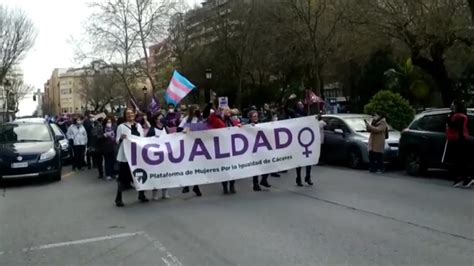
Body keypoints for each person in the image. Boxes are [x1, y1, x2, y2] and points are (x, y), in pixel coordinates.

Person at [115, 108, 149, 207]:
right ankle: (118, 198)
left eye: (131, 113)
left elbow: (142, 139)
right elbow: (117, 140)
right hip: (126, 156)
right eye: (128, 113)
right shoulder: (121, 126)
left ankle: (141, 194)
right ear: (125, 116)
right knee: (122, 177)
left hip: (137, 155)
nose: (130, 115)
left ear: (134, 114)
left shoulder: (138, 126)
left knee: (139, 174)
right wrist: (121, 138)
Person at [209, 107, 240, 194]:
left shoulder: (231, 120)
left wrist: (239, 126)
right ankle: (225, 186)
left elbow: (237, 126)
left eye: (229, 110)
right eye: (226, 110)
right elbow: (212, 117)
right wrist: (217, 109)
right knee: (224, 168)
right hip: (222, 148)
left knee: (233, 167)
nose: (228, 111)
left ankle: (232, 185)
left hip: (232, 147)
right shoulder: (217, 119)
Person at [178, 105, 203, 197]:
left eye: (197, 110)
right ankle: (187, 185)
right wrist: (185, 130)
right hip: (187, 144)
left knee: (195, 166)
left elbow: (203, 129)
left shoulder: (200, 119)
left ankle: (195, 185)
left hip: (197, 144)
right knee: (188, 165)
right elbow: (179, 129)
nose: (195, 111)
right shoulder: (186, 119)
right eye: (194, 110)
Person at [446, 101, 473, 188]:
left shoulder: (459, 116)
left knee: (460, 162)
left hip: (460, 141)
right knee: (461, 162)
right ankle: (463, 179)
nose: (452, 105)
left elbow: (453, 126)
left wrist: (448, 120)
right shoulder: (461, 115)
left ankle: (465, 179)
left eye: (453, 104)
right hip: (461, 140)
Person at [146, 113, 172, 200]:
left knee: (165, 174)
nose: (162, 119)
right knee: (156, 175)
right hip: (155, 156)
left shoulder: (165, 129)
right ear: (156, 120)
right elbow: (147, 141)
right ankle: (155, 193)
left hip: (165, 155)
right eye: (160, 118)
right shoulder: (152, 130)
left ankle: (165, 192)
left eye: (162, 118)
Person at [248, 110, 271, 191]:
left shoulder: (261, 124)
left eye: (256, 116)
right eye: (254, 116)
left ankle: (264, 179)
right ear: (250, 118)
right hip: (254, 149)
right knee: (256, 167)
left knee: (268, 163)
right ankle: (255, 184)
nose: (256, 117)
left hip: (262, 147)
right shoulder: (248, 125)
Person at [292, 101, 313, 186]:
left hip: (306, 140)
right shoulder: (294, 114)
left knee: (309, 160)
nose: (301, 106)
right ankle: (298, 178)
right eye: (299, 104)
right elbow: (286, 108)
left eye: (301, 104)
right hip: (298, 140)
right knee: (299, 162)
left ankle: (308, 176)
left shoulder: (306, 113)